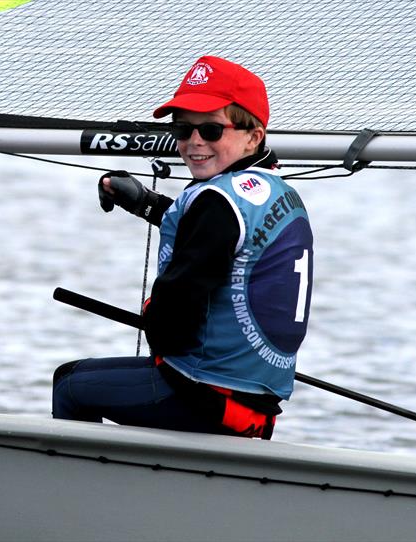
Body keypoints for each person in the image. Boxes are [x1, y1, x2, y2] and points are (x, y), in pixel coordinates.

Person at [52, 56, 313, 439]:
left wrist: (155, 319)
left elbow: (175, 321)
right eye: (182, 130)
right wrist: (147, 203)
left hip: (204, 395)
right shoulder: (278, 192)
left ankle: (80, 497)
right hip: (256, 403)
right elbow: (223, 241)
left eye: (210, 130)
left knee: (69, 384)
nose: (194, 142)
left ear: (253, 136)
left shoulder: (216, 203)